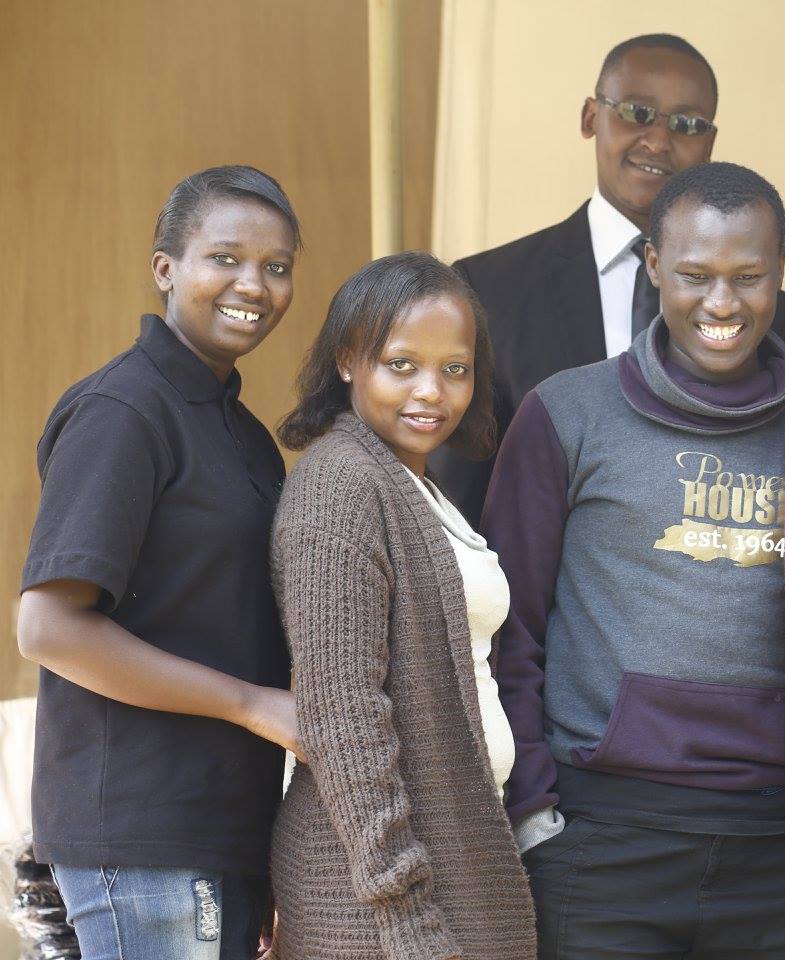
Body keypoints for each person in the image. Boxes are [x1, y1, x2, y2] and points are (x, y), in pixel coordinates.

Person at [483, 162, 785, 959]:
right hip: (603, 840)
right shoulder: (565, 413)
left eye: (748, 277)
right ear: (653, 267)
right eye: (695, 276)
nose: (721, 304)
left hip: (782, 849)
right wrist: (532, 812)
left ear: (781, 269)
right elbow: (508, 628)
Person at [16, 165, 302, 959]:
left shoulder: (244, 434)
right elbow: (48, 628)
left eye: (277, 266)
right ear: (166, 268)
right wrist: (253, 705)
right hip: (143, 835)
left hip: (219, 833)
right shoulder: (124, 410)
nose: (254, 285)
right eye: (226, 258)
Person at [267, 252, 535, 959]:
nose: (431, 392)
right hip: (369, 897)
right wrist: (402, 909)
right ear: (348, 360)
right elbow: (343, 714)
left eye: (455, 368)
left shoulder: (414, 485)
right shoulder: (341, 485)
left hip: (448, 855)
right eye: (402, 365)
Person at [431, 33, 785, 521]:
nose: (658, 141)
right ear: (591, 117)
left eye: (687, 124)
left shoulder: (759, 311)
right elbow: (454, 496)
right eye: (637, 113)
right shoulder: (488, 288)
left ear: (709, 144)